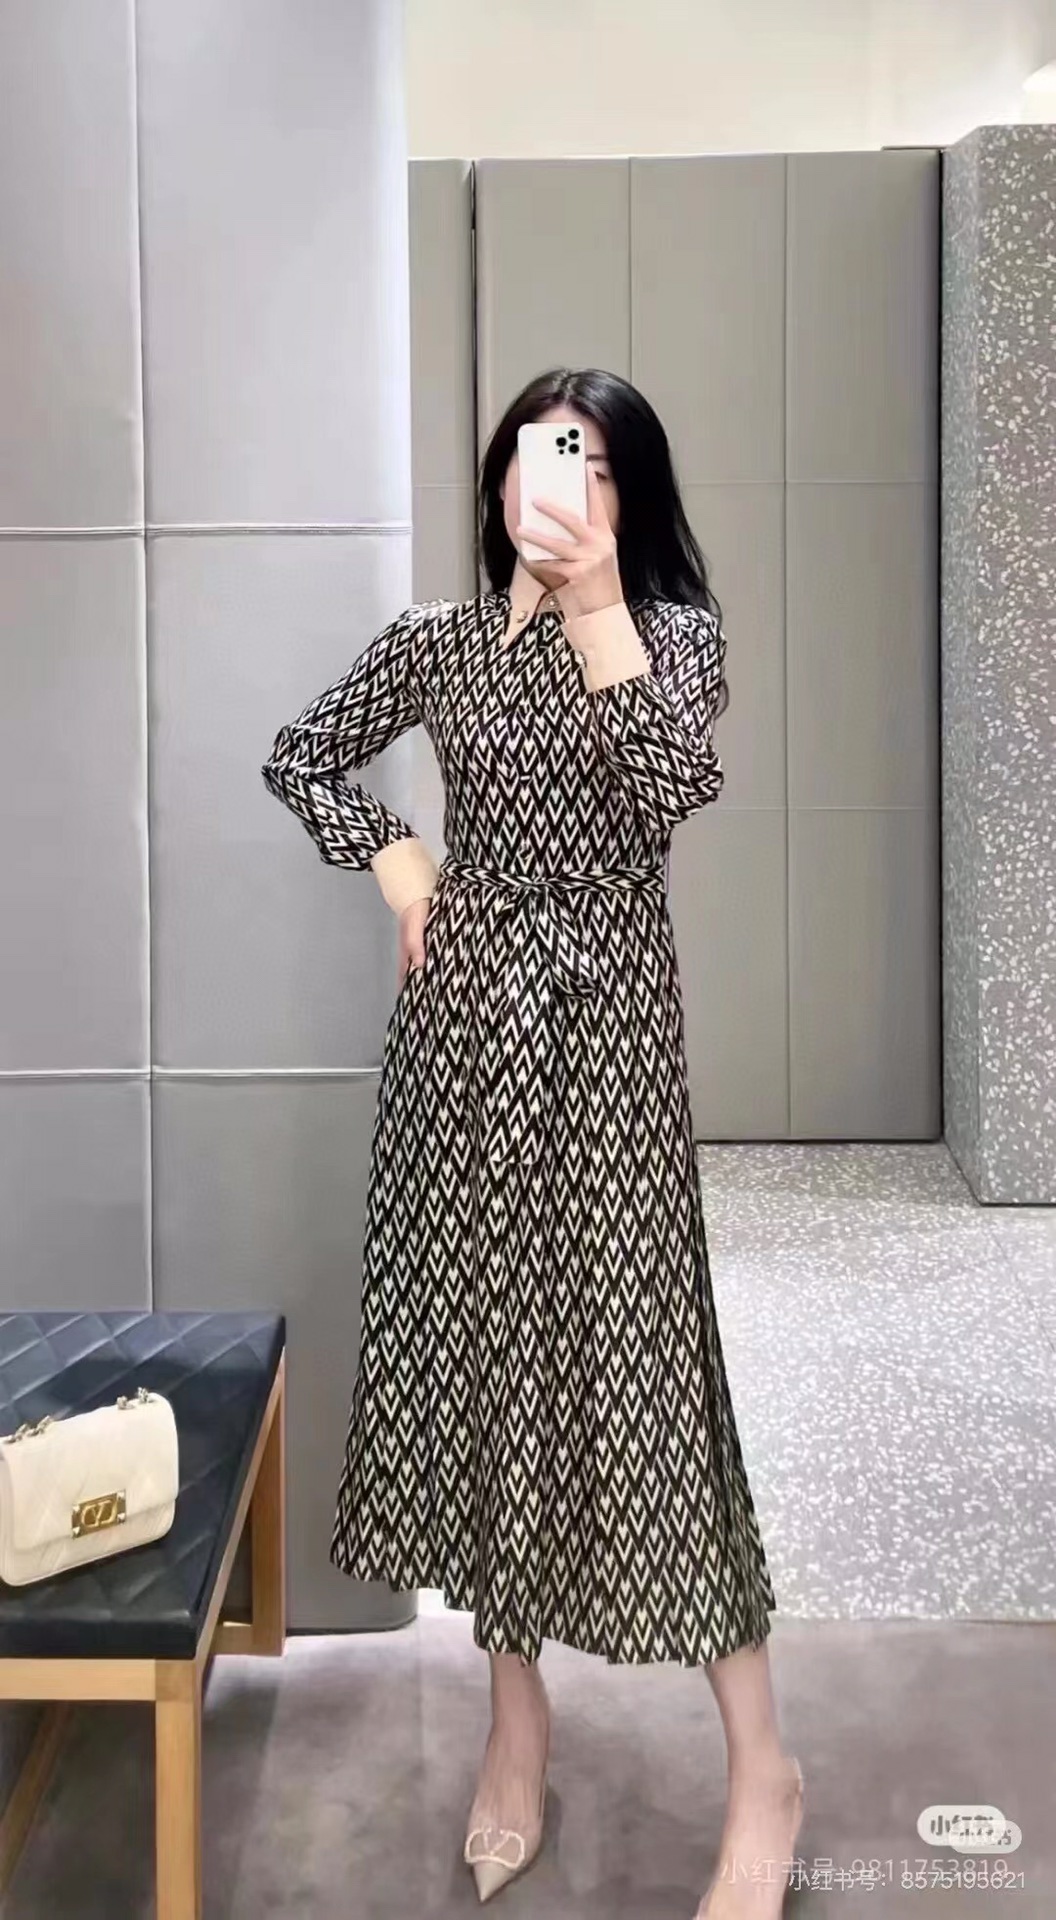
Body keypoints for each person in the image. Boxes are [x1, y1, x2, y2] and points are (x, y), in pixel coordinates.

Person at [261, 366, 804, 1916]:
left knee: (646, 1374)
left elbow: (671, 786)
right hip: (461, 1045)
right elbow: (302, 753)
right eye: (540, 456)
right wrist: (397, 854)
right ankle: (516, 1726)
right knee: (488, 1360)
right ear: (501, 481)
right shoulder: (438, 643)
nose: (560, 484)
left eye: (597, 464)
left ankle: (763, 1765)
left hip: (609, 1033)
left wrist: (601, 606)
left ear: (632, 495)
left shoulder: (673, 638)